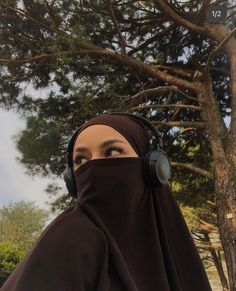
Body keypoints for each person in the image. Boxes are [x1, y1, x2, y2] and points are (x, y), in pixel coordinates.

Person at [1, 113, 212, 291]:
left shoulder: (170, 243)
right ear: (72, 180)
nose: (93, 167)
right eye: (80, 160)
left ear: (152, 167)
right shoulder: (72, 234)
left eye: (112, 151)